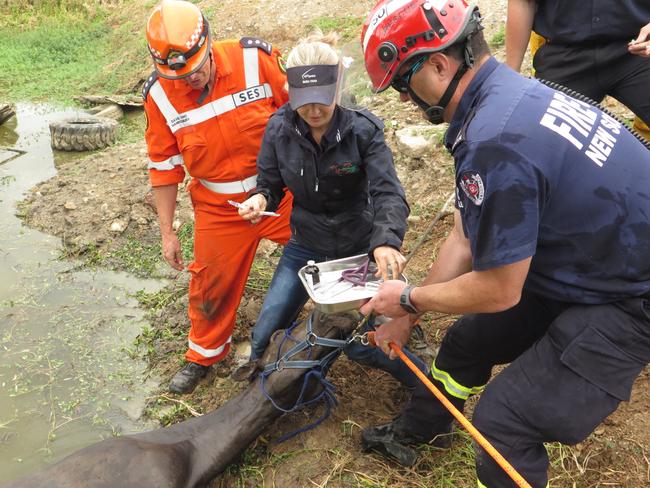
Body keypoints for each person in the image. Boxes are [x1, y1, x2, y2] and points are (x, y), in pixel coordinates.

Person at [358, 0, 650, 485]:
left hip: (631, 296)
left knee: (504, 424)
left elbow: (500, 289)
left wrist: (408, 296)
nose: (406, 100)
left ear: (437, 63)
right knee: (467, 342)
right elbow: (464, 235)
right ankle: (424, 428)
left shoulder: (494, 139)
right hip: (593, 257)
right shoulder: (505, 95)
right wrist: (407, 316)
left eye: (405, 84)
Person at [232, 31, 427, 387]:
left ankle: (424, 379)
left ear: (337, 87)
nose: (314, 110)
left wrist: (386, 241)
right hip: (306, 245)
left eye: (322, 99)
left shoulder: (362, 130)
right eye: (304, 101)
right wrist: (261, 199)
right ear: (292, 93)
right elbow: (270, 184)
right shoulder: (278, 129)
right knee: (265, 330)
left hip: (359, 243)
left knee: (373, 339)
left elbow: (388, 193)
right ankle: (261, 379)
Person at [142, 0, 292, 394]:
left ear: (208, 44)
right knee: (209, 287)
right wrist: (167, 233)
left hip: (281, 191)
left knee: (336, 244)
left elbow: (302, 114)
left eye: (195, 70)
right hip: (219, 208)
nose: (189, 81)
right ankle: (204, 354)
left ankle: (375, 312)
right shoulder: (159, 95)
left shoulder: (253, 59)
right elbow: (163, 166)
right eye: (179, 76)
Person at [505, 0, 650, 140]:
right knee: (541, 139)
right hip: (564, 54)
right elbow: (524, 2)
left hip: (637, 48)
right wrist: (511, 78)